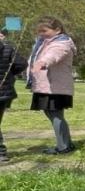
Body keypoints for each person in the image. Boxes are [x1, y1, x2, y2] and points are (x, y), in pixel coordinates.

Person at [26, 17, 75, 155]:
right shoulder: (43, 43)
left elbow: (53, 56)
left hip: (54, 87)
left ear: (57, 30)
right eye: (39, 31)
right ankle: (66, 143)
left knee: (55, 115)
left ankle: (63, 146)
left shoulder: (61, 44)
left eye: (44, 30)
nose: (41, 33)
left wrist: (42, 63)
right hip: (46, 86)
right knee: (53, 114)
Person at [0, 29, 27, 162]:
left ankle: (1, 152)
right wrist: (10, 75)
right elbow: (22, 63)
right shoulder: (8, 48)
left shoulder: (8, 48)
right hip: (4, 91)